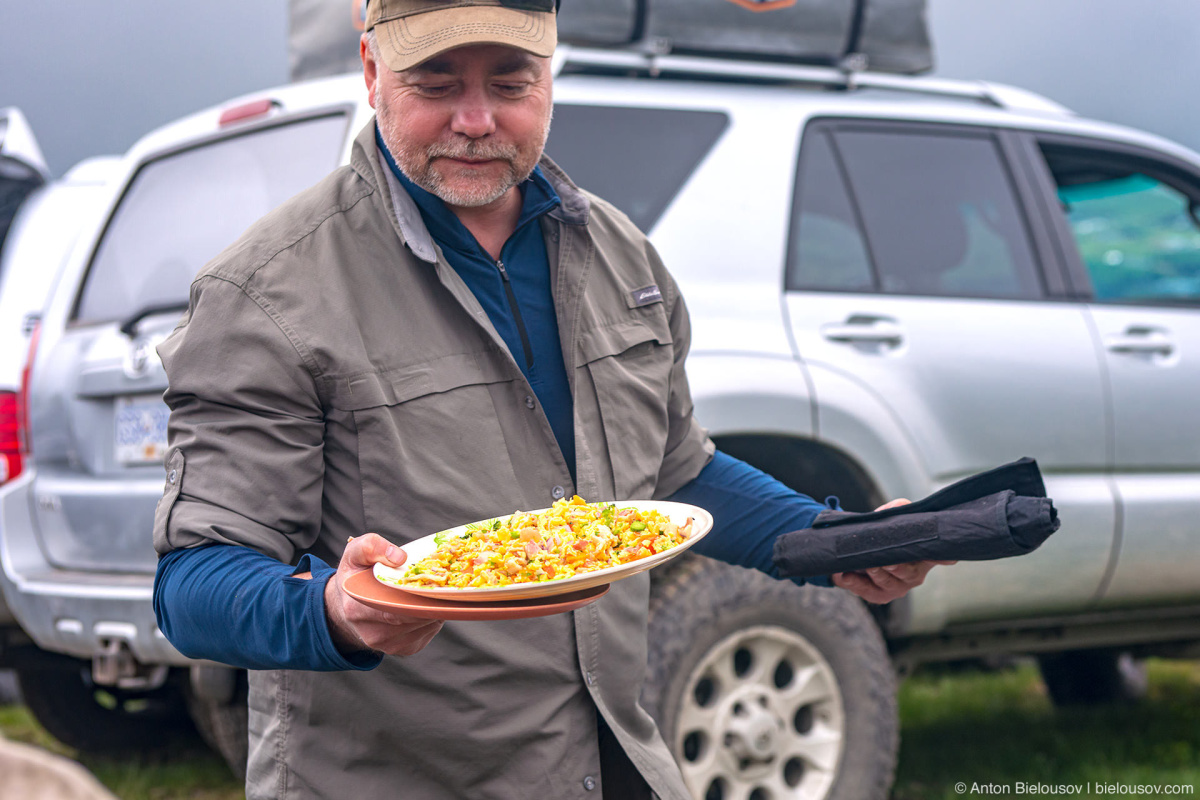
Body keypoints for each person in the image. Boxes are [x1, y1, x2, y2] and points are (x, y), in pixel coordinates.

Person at [151, 2, 949, 798]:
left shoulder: (620, 255)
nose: (475, 120)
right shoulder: (267, 294)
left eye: (510, 82)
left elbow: (671, 476)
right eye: (435, 82)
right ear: (370, 71)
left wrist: (832, 540)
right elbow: (193, 587)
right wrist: (334, 608)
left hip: (615, 761)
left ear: (550, 74)